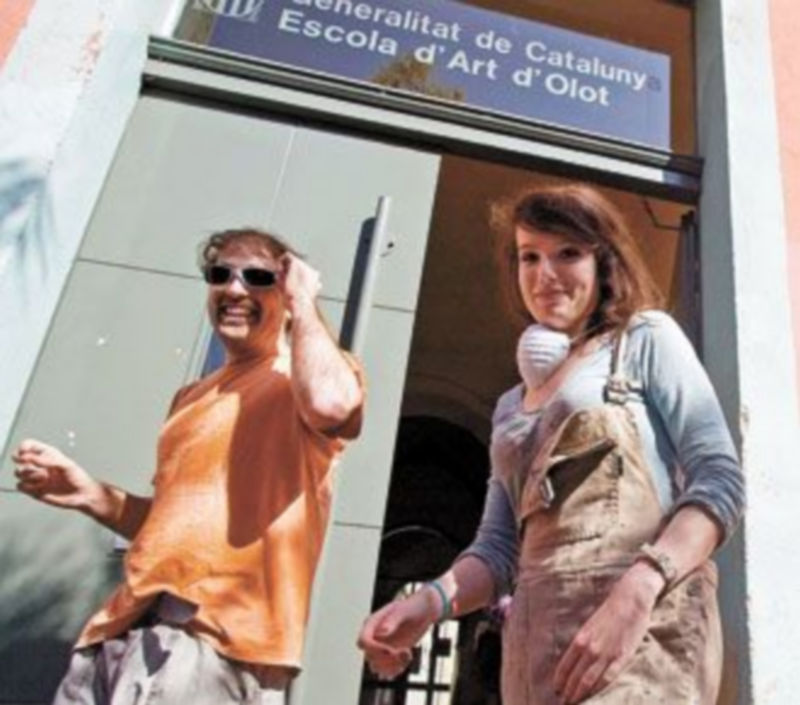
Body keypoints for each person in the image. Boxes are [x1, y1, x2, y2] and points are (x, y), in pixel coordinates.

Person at [357, 185, 744, 704]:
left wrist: (638, 590)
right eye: (529, 256)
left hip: (638, 635)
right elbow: (497, 549)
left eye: (568, 253)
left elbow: (720, 481)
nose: (545, 275)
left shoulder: (644, 339)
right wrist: (429, 602)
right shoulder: (511, 407)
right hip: (536, 649)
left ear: (603, 262)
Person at [14, 227, 365, 705]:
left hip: (212, 641)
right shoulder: (190, 398)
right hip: (122, 629)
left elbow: (329, 403)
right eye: (221, 274)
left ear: (284, 290)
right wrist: (91, 495)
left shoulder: (301, 380)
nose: (234, 289)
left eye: (257, 277)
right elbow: (166, 526)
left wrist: (304, 299)